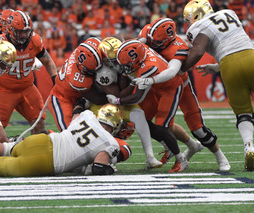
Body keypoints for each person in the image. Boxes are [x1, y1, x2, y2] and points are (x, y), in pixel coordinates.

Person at [137, 17, 230, 171]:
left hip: (178, 85)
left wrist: (150, 80)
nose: (154, 44)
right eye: (152, 40)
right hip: (156, 87)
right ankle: (192, 146)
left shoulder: (178, 47)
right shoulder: (150, 33)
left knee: (197, 128)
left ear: (169, 38)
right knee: (148, 122)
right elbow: (137, 44)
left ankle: (220, 156)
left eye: (158, 42)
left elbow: (173, 72)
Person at [0, 104, 126, 177]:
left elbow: (74, 119)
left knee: (8, 147)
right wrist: (109, 168)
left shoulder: (87, 115)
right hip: (48, 162)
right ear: (115, 124)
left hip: (44, 140)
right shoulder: (110, 142)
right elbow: (99, 168)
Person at [181, 0, 254, 171]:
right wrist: (215, 67)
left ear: (196, 15)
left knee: (243, 113)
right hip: (250, 56)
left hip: (228, 65)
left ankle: (249, 146)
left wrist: (181, 69)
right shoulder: (229, 13)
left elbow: (199, 51)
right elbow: (236, 46)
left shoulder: (198, 26)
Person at [108, 40, 188, 172]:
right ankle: (169, 148)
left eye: (127, 64)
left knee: (162, 126)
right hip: (155, 87)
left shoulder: (147, 68)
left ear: (136, 60)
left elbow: (138, 97)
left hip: (170, 88)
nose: (125, 67)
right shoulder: (139, 49)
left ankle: (181, 159)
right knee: (145, 122)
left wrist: (117, 100)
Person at [93, 36, 162, 169]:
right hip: (102, 102)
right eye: (114, 60)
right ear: (106, 60)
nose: (119, 61)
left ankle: (150, 157)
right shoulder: (104, 72)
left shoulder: (122, 58)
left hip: (117, 100)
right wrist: (131, 80)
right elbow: (116, 96)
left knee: (139, 114)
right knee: (107, 121)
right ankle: (98, 157)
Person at [0, 10, 58, 135]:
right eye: (20, 31)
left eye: (26, 31)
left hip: (27, 88)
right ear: (11, 30)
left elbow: (48, 61)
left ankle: (33, 152)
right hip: (4, 90)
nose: (24, 35)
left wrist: (55, 79)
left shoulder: (34, 40)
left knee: (39, 124)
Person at [48, 37, 107, 131]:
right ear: (82, 68)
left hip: (79, 94)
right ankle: (47, 138)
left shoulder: (91, 45)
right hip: (62, 98)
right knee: (71, 134)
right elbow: (98, 99)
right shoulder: (77, 79)